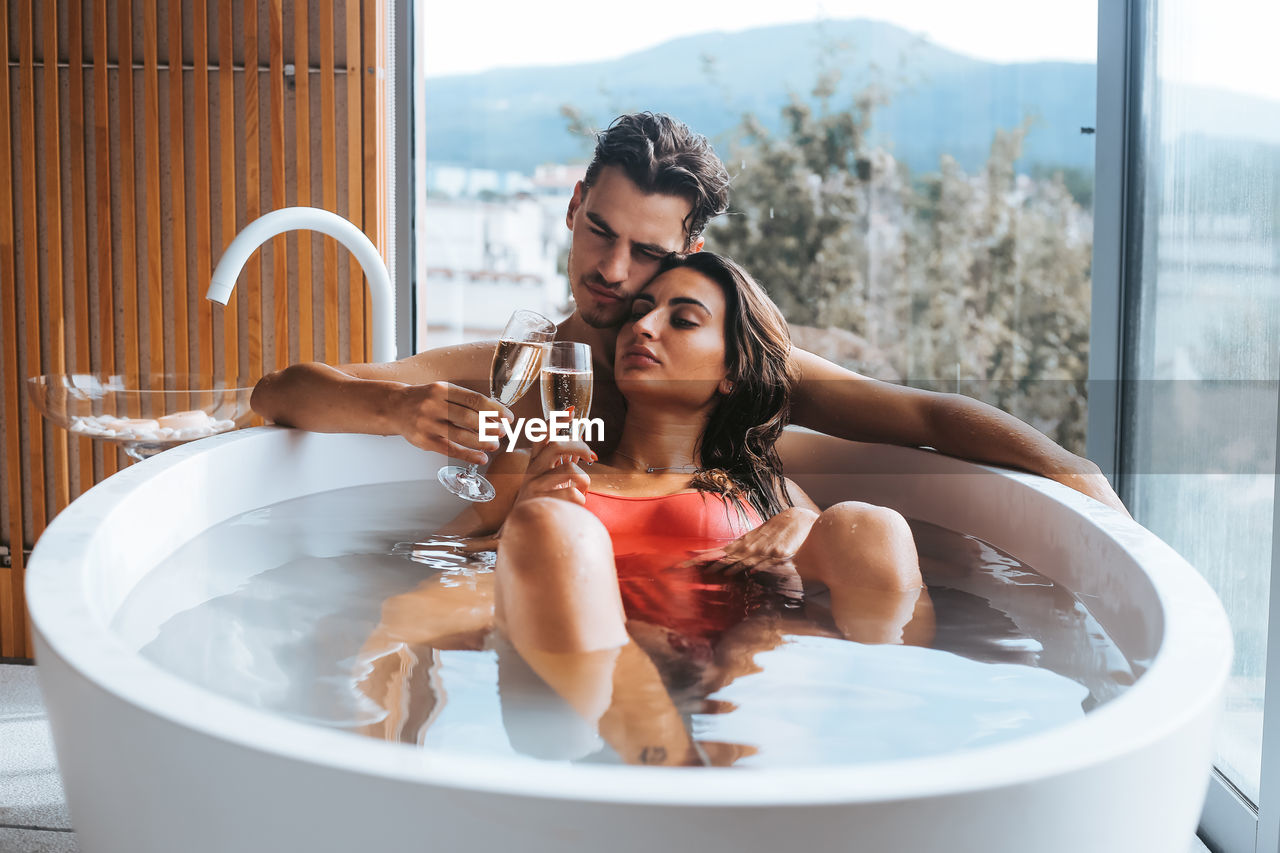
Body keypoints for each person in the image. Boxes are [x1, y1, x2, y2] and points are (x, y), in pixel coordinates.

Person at [251, 112, 1128, 548]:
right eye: (599, 229)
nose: (611, 269)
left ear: (690, 251)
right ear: (572, 206)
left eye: (645, 250)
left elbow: (925, 418)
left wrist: (1082, 479)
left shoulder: (727, 366)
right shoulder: (525, 371)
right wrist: (398, 410)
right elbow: (282, 391)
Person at [356, 252, 932, 765]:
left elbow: (841, 557)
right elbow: (433, 560)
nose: (644, 327)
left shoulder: (760, 488)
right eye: (639, 312)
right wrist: (511, 535)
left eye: (682, 320)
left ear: (731, 371)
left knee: (871, 524)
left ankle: (887, 737)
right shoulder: (548, 472)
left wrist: (801, 527)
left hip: (749, 694)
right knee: (549, 523)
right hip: (585, 697)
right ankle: (671, 763)